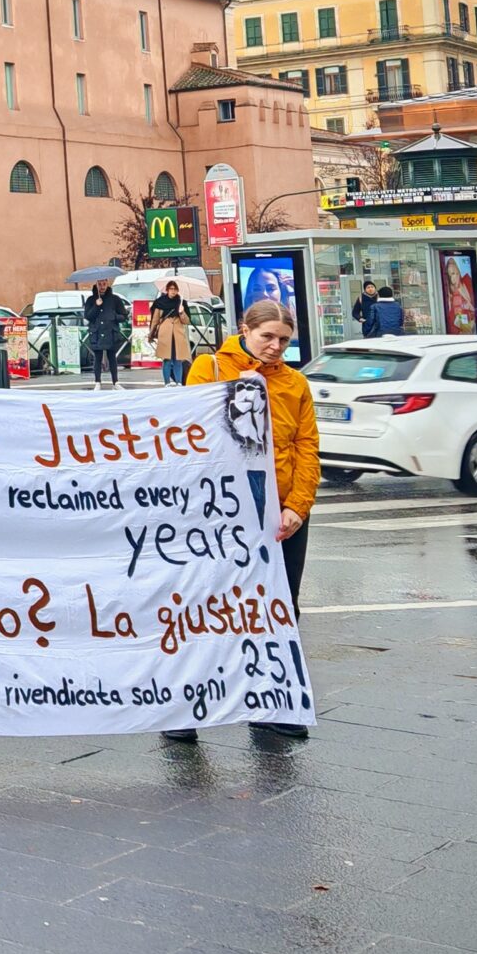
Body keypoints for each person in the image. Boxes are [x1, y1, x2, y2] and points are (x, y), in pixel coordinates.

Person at [168, 297, 319, 745]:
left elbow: (307, 446)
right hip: (222, 511)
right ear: (244, 330)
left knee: (279, 609)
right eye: (267, 337)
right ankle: (185, 707)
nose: (275, 346)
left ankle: (270, 703)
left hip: (281, 514)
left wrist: (298, 505)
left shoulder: (295, 384)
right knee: (208, 607)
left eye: (284, 340)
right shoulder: (210, 369)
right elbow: (192, 434)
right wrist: (242, 394)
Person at [80, 277, 130, 387]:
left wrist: (114, 316)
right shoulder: (90, 300)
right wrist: (96, 306)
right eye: (100, 284)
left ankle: (115, 382)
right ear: (96, 284)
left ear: (107, 284)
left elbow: (124, 316)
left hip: (111, 331)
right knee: (97, 358)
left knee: (112, 357)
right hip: (96, 332)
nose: (102, 287)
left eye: (104, 284)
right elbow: (88, 316)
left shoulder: (115, 299)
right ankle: (97, 382)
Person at [149, 279, 193, 386]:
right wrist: (151, 333)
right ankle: (167, 382)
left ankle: (178, 382)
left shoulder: (182, 302)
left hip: (178, 333)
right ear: (167, 290)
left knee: (178, 359)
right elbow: (155, 319)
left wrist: (182, 312)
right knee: (167, 359)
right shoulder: (160, 302)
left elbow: (186, 321)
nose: (173, 291)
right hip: (165, 333)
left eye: (175, 289)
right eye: (171, 289)